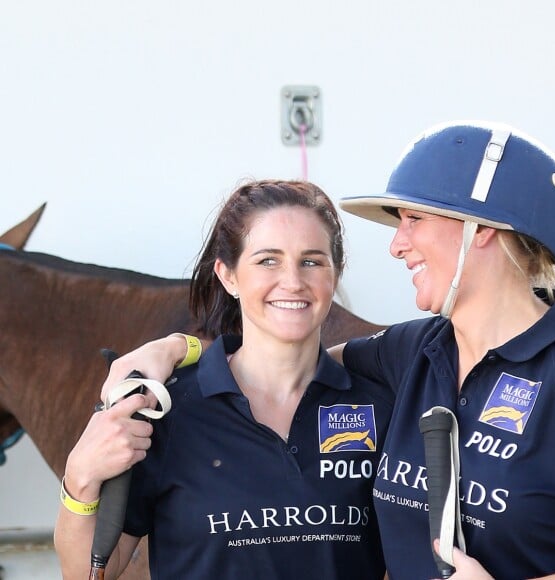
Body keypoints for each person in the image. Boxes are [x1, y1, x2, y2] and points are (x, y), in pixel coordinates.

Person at [100, 121, 555, 580]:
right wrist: (176, 350)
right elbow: (281, 362)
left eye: (413, 219)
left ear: (484, 228)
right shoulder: (414, 352)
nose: (397, 245)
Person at [53, 180, 393, 579]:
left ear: (335, 274)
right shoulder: (168, 411)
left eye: (312, 261)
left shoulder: (378, 407)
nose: (293, 281)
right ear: (228, 275)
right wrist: (79, 477)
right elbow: (92, 573)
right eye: (268, 260)